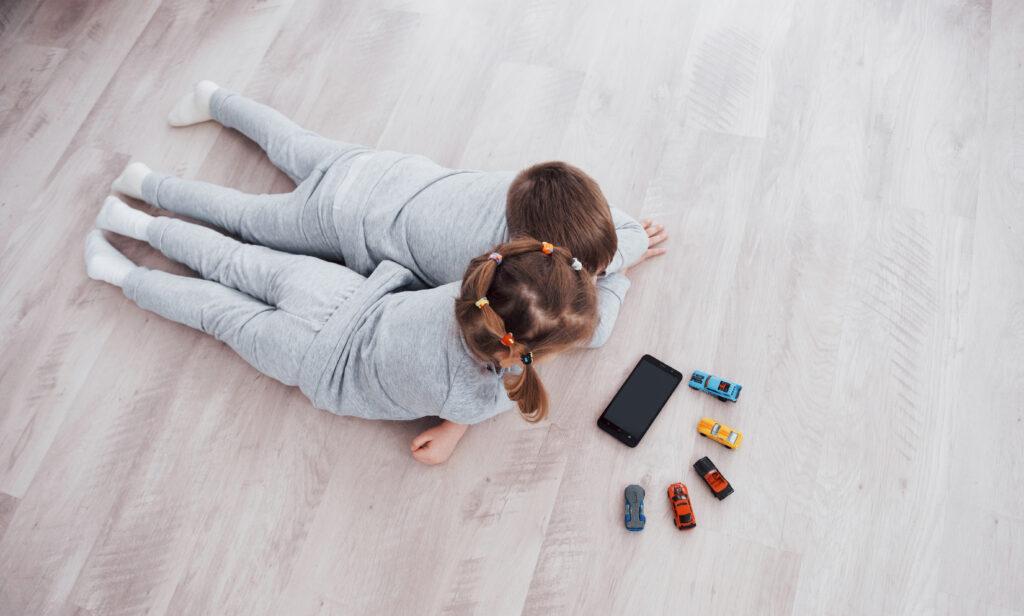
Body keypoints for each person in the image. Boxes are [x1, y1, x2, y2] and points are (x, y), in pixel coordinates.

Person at [110, 81, 668, 347]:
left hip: (381, 170)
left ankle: (216, 99)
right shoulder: (500, 272)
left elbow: (621, 231)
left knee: (294, 143)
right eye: (590, 272)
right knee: (249, 219)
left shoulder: (532, 192)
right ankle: (149, 185)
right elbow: (592, 332)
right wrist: (622, 276)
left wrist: (624, 252)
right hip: (339, 220)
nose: (594, 276)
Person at [84, 197, 599, 465]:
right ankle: (120, 273)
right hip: (314, 361)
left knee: (234, 260)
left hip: (339, 294)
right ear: (527, 354)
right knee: (216, 312)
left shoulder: (470, 285)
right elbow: (462, 409)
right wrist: (448, 435)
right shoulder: (481, 398)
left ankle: (135, 222)